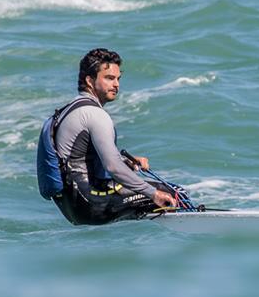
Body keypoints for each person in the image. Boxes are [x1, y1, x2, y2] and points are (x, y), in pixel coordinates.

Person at [52, 48, 177, 224]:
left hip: (73, 203)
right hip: (90, 201)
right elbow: (112, 167)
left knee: (152, 197)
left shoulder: (69, 109)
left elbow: (83, 160)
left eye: (118, 79)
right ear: (90, 80)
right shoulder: (94, 114)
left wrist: (126, 162)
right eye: (109, 78)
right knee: (171, 194)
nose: (116, 84)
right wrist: (153, 194)